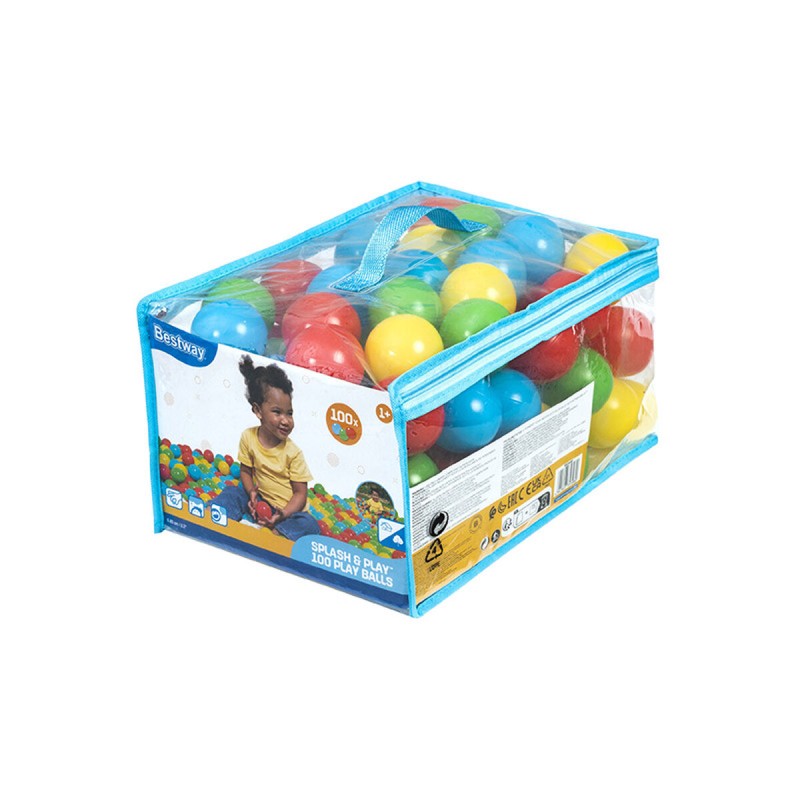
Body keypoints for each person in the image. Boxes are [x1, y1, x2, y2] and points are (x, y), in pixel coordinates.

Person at [214, 355, 319, 541]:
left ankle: (276, 534)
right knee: (233, 492)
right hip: (261, 501)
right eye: (277, 412)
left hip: (289, 512)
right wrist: (252, 493)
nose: (285, 420)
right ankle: (214, 517)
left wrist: (284, 513)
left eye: (289, 413)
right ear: (258, 410)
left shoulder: (293, 453)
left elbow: (301, 494)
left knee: (310, 524)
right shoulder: (248, 437)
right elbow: (246, 471)